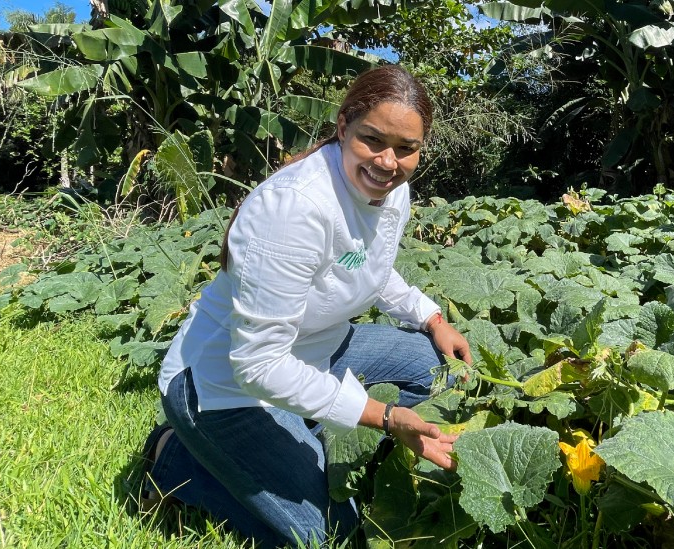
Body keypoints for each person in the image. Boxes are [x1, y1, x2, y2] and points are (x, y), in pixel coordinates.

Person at [139, 64, 473, 547]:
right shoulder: (294, 210)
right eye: (372, 140)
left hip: (318, 350)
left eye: (406, 149)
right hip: (225, 387)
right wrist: (381, 415)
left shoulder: (391, 191)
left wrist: (431, 317)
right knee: (335, 535)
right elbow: (258, 366)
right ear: (342, 127)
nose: (387, 162)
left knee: (431, 364)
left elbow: (369, 265)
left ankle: (308, 431)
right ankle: (175, 458)